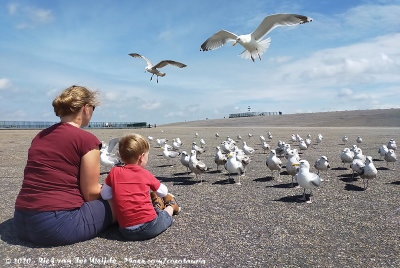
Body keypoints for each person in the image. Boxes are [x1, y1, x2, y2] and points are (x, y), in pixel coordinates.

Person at [14, 85, 116, 246]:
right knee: (125, 201)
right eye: (93, 108)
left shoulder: (40, 136)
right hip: (55, 225)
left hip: (20, 221)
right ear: (86, 108)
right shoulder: (87, 140)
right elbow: (90, 194)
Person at [100, 134, 180, 241]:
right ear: (141, 157)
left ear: (122, 157)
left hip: (125, 230)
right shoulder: (145, 174)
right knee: (164, 217)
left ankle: (157, 206)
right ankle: (172, 205)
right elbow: (163, 192)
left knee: (153, 212)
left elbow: (105, 195)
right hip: (148, 227)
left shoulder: (114, 172)